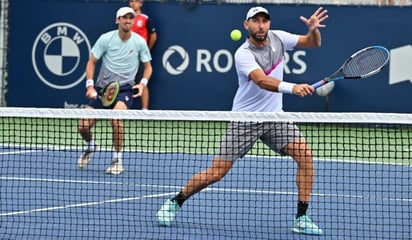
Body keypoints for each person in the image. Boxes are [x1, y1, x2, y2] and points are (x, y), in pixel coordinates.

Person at [157, 6, 328, 235]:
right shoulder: (243, 53)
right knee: (217, 172)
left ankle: (302, 217)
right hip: (245, 120)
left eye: (264, 21)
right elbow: (261, 81)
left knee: (305, 156)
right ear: (246, 25)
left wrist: (313, 30)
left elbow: (313, 43)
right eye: (255, 21)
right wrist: (293, 87)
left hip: (275, 118)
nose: (261, 25)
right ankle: (175, 202)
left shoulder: (279, 37)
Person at [77, 7, 152, 175]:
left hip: (125, 89)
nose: (128, 21)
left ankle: (117, 159)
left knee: (115, 118)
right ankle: (91, 146)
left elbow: (148, 67)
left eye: (130, 18)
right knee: (82, 126)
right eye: (124, 18)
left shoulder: (139, 42)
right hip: (102, 90)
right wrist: (89, 85)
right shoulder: (106, 39)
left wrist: (142, 84)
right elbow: (91, 62)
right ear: (117, 20)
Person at [129, 0, 158, 110]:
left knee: (142, 82)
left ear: (141, 4)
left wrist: (146, 51)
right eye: (131, 1)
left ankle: (145, 110)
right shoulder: (125, 19)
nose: (133, 4)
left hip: (140, 56)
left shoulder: (145, 19)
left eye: (136, 1)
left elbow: (153, 36)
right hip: (126, 56)